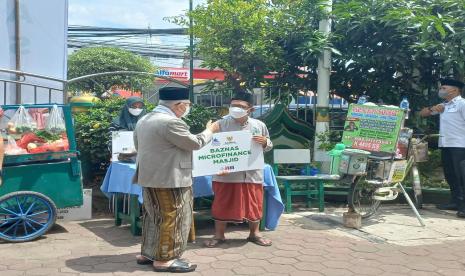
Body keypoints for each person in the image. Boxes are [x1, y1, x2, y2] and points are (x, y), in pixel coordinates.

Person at [133, 87, 219, 272]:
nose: (188, 108)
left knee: (153, 216)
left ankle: (148, 253)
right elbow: (195, 143)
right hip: (170, 178)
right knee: (172, 216)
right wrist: (209, 130)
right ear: (179, 105)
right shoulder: (170, 122)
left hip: (149, 176)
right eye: (187, 105)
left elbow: (137, 145)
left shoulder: (145, 119)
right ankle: (164, 259)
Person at [204, 91, 273, 248]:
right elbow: (208, 147)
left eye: (240, 106)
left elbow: (269, 145)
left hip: (252, 173)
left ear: (251, 109)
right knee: (222, 203)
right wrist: (215, 165)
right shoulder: (220, 124)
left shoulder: (259, 125)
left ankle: (254, 234)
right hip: (226, 174)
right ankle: (219, 235)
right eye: (233, 105)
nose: (236, 108)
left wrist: (265, 142)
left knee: (254, 204)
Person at [420, 78, 465, 217]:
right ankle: (455, 202)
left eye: (444, 88)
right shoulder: (444, 105)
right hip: (446, 144)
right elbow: (423, 113)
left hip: (460, 145)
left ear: (455, 90)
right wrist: (433, 109)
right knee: (450, 175)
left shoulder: (462, 104)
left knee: (461, 177)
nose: (441, 90)